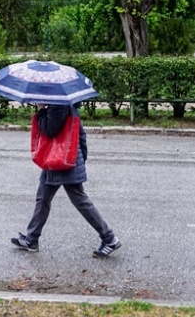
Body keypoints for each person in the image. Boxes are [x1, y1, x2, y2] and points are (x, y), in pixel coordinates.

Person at [11, 102, 121, 257]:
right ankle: (31, 239)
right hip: (61, 159)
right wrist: (81, 158)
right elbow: (81, 135)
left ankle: (109, 238)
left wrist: (41, 110)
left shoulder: (58, 106)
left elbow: (49, 130)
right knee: (43, 198)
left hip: (62, 161)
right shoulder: (69, 105)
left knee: (80, 200)